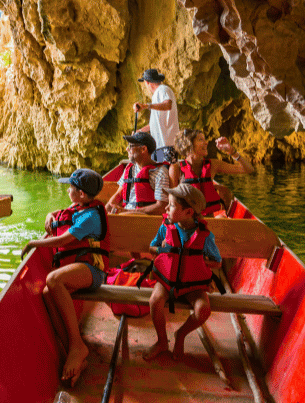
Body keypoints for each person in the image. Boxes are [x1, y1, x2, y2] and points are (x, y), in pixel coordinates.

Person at [21, 168, 108, 387]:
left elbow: (62, 241)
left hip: (93, 271)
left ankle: (77, 346)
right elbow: (59, 212)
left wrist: (33, 243)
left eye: (70, 187)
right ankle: (74, 352)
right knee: (48, 292)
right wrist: (49, 215)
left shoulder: (91, 216)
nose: (67, 190)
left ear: (80, 193)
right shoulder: (79, 206)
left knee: (53, 280)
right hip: (77, 268)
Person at [144, 183, 222, 361]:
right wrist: (162, 249)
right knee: (155, 301)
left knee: (203, 310)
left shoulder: (205, 236)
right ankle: (162, 341)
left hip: (193, 285)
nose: (166, 208)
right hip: (167, 281)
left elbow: (217, 262)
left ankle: (181, 334)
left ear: (188, 212)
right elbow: (151, 247)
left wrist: (200, 261)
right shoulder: (166, 227)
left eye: (171, 205)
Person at [169, 129, 254, 215]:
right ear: (188, 144)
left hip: (210, 219)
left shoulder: (213, 165)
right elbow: (172, 202)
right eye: (200, 139)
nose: (206, 143)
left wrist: (231, 151)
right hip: (188, 221)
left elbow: (248, 170)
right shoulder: (176, 168)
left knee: (220, 218)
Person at [105, 131, 169, 215]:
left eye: (131, 146)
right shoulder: (130, 169)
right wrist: (104, 212)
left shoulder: (160, 173)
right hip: (125, 214)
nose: (127, 149)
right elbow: (118, 195)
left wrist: (127, 211)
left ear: (143, 149)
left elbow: (161, 207)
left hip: (145, 218)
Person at [133, 68, 179, 164]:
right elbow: (153, 124)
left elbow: (168, 105)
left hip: (167, 145)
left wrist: (146, 106)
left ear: (147, 82)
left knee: (166, 175)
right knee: (160, 174)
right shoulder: (156, 96)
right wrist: (140, 131)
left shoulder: (163, 89)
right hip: (160, 146)